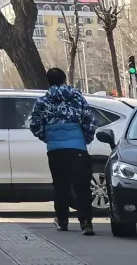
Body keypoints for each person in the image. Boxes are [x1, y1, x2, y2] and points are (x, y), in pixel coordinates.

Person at [28, 67, 97, 234]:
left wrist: (48, 138)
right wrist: (85, 139)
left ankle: (62, 220)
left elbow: (34, 125)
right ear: (64, 80)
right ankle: (86, 223)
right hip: (78, 148)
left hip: (55, 151)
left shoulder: (42, 102)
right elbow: (89, 121)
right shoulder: (77, 98)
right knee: (82, 186)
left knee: (60, 185)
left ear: (48, 82)